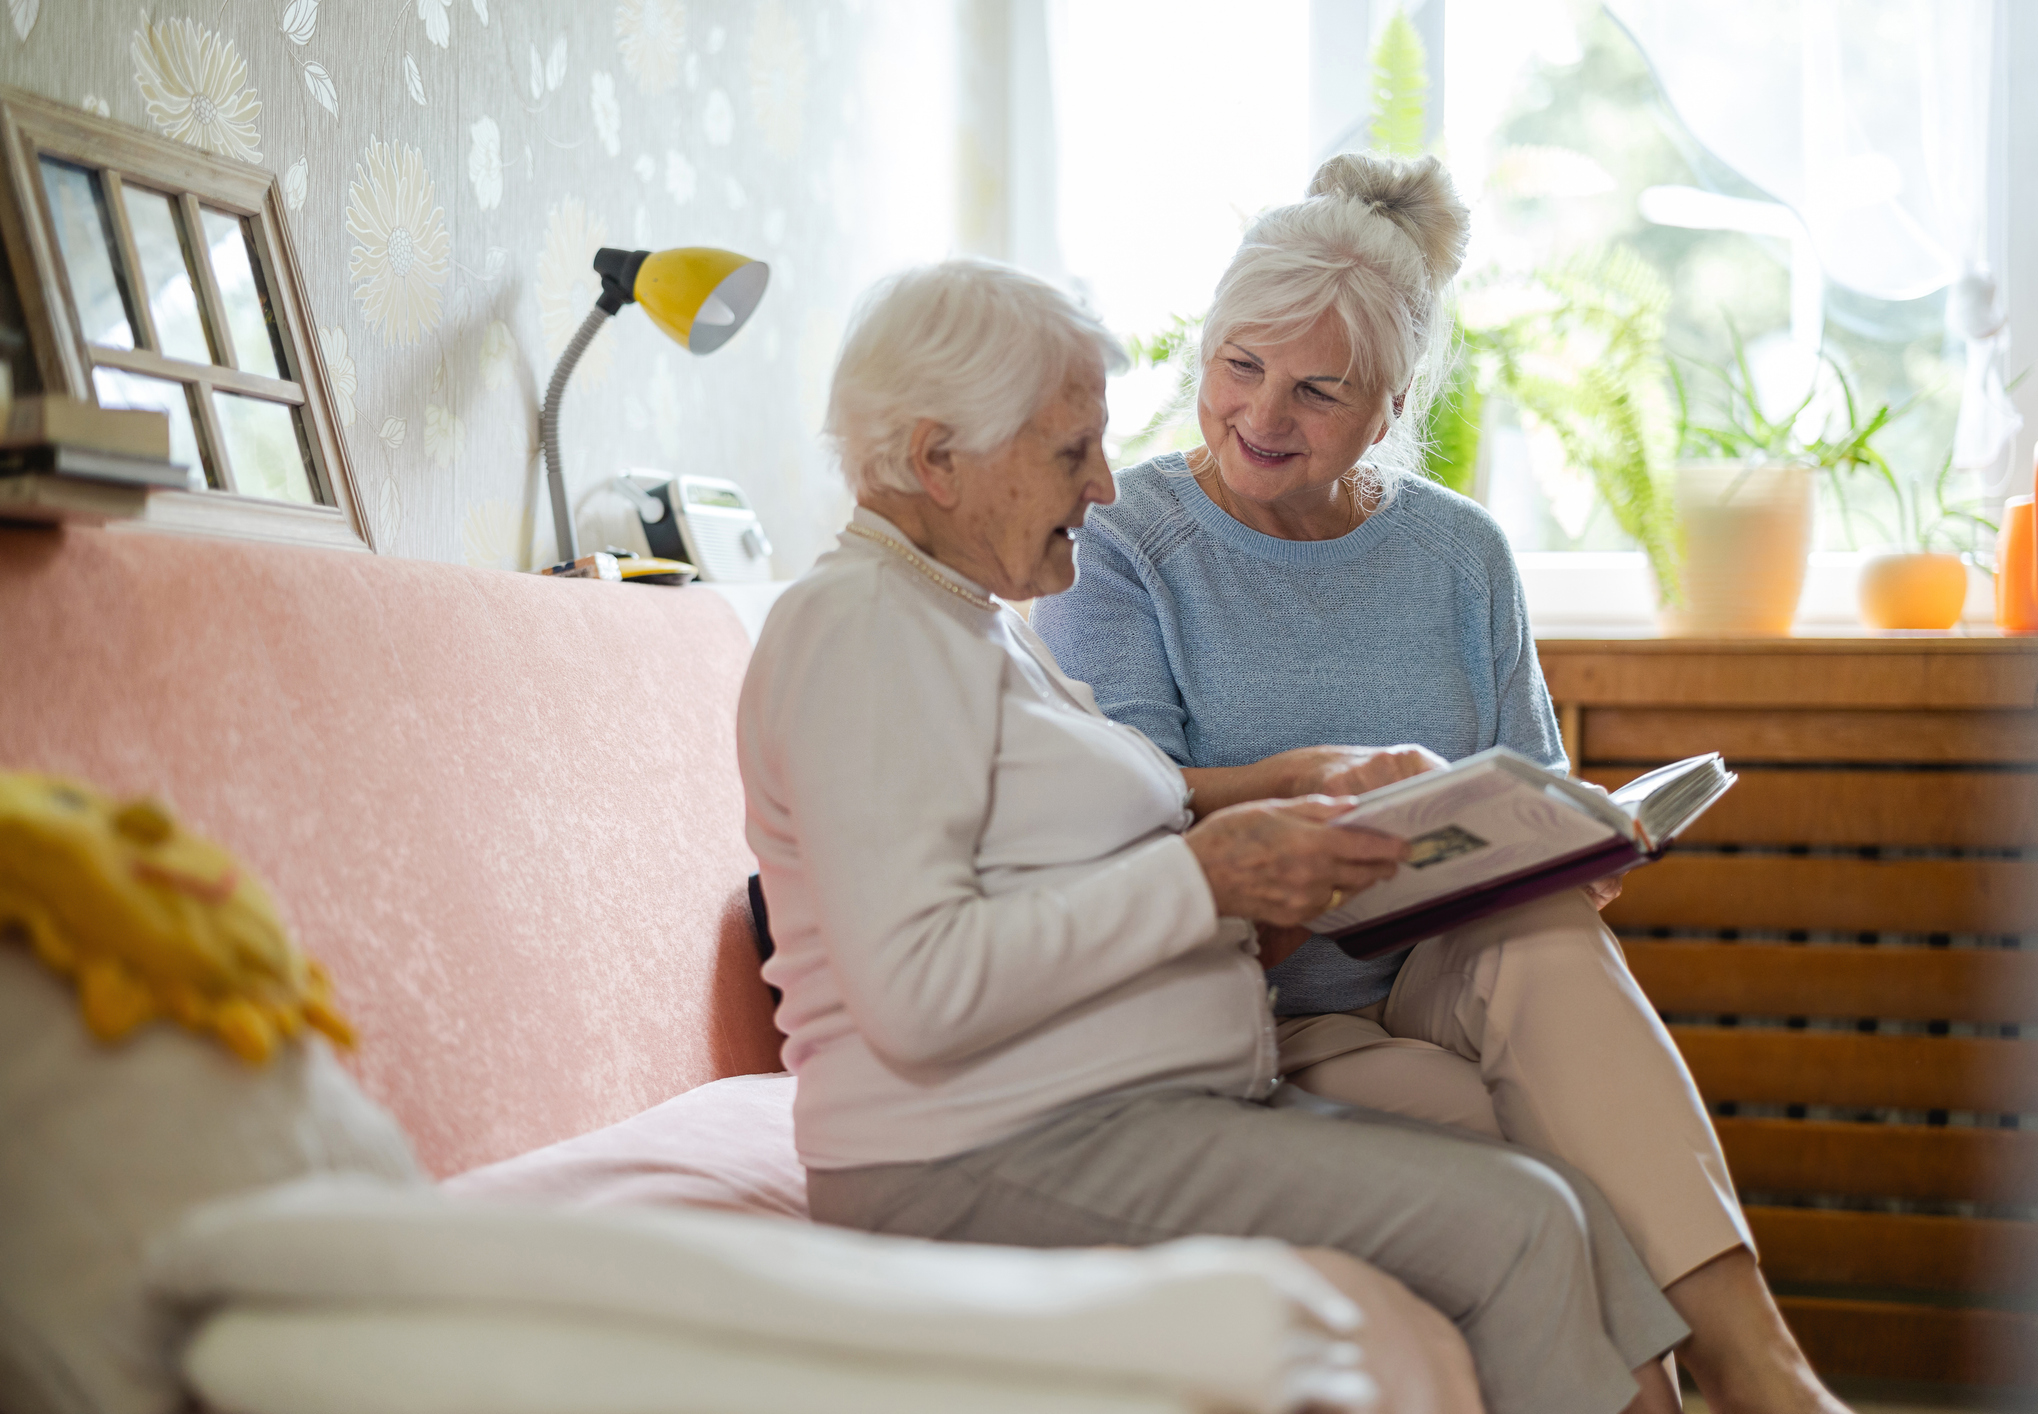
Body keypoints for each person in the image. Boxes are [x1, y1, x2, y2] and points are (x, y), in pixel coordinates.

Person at [740, 257, 1695, 1414]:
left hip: (1104, 1113)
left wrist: (1289, 807)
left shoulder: (965, 623)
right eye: (1067, 452)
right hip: (979, 1151)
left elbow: (1064, 858)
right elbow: (915, 988)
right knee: (1524, 1223)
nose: (1104, 486)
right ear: (938, 459)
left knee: (1560, 1197)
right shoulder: (859, 630)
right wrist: (1210, 875)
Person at [1031, 152, 1850, 1414]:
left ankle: (1769, 1372)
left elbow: (1535, 788)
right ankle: (1706, 1394)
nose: (1263, 413)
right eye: (1238, 365)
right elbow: (1132, 798)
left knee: (1549, 931)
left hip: (1442, 967)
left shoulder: (1461, 551)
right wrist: (1308, 785)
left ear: (1393, 398)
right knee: (1543, 1144)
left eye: (1317, 388)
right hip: (1261, 1006)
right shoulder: (1127, 538)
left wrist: (1582, 843)